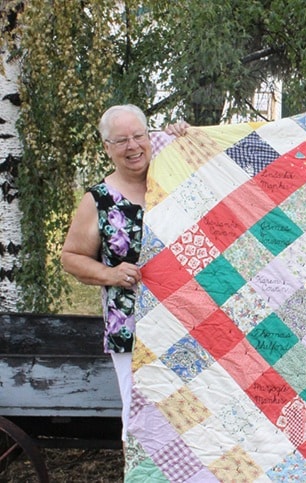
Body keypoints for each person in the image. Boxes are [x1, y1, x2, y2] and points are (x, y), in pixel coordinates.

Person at [61, 104, 150, 442]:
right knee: (140, 418)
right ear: (107, 148)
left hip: (187, 323)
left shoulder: (175, 179)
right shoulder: (98, 200)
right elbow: (71, 258)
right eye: (121, 140)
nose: (133, 146)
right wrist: (111, 275)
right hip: (130, 328)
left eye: (139, 135)